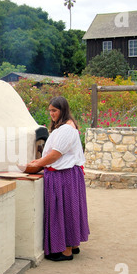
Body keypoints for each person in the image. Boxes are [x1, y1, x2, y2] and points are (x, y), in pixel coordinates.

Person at [26, 96, 89, 261]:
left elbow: (55, 154)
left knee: (64, 211)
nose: (51, 114)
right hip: (67, 173)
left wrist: (38, 163)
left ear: (63, 110)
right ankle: (73, 245)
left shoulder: (67, 129)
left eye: (54, 110)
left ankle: (65, 251)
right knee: (71, 210)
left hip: (64, 175)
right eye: (50, 111)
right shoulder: (66, 127)